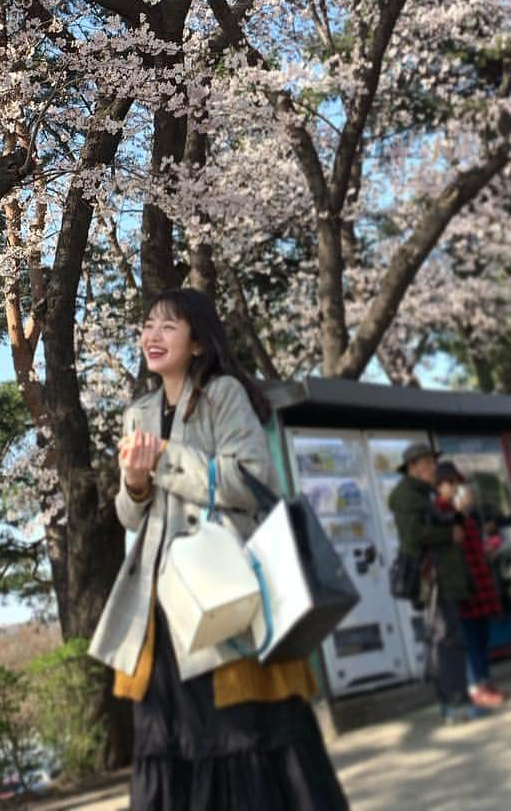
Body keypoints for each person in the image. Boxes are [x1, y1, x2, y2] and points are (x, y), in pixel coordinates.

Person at [89, 288, 348, 810]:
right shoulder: (137, 413)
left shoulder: (223, 394)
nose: (152, 336)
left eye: (168, 326)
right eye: (147, 326)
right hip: (160, 606)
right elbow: (130, 513)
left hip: (224, 592)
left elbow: (251, 477)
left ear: (199, 341)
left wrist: (165, 459)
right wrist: (135, 483)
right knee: (171, 740)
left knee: (239, 733)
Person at [388, 443, 486, 723]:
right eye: (429, 463)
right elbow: (414, 535)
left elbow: (434, 522)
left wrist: (456, 516)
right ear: (414, 467)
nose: (434, 468)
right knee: (447, 641)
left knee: (446, 640)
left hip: (441, 577)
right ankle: (455, 703)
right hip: (433, 580)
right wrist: (448, 534)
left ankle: (452, 702)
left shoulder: (421, 494)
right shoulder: (407, 496)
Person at [433, 461, 508, 710]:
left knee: (482, 635)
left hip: (478, 582)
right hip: (462, 587)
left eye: (458, 483)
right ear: (439, 485)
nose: (457, 488)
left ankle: (485, 681)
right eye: (451, 483)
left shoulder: (464, 515)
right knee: (470, 638)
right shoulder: (441, 513)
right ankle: (476, 685)